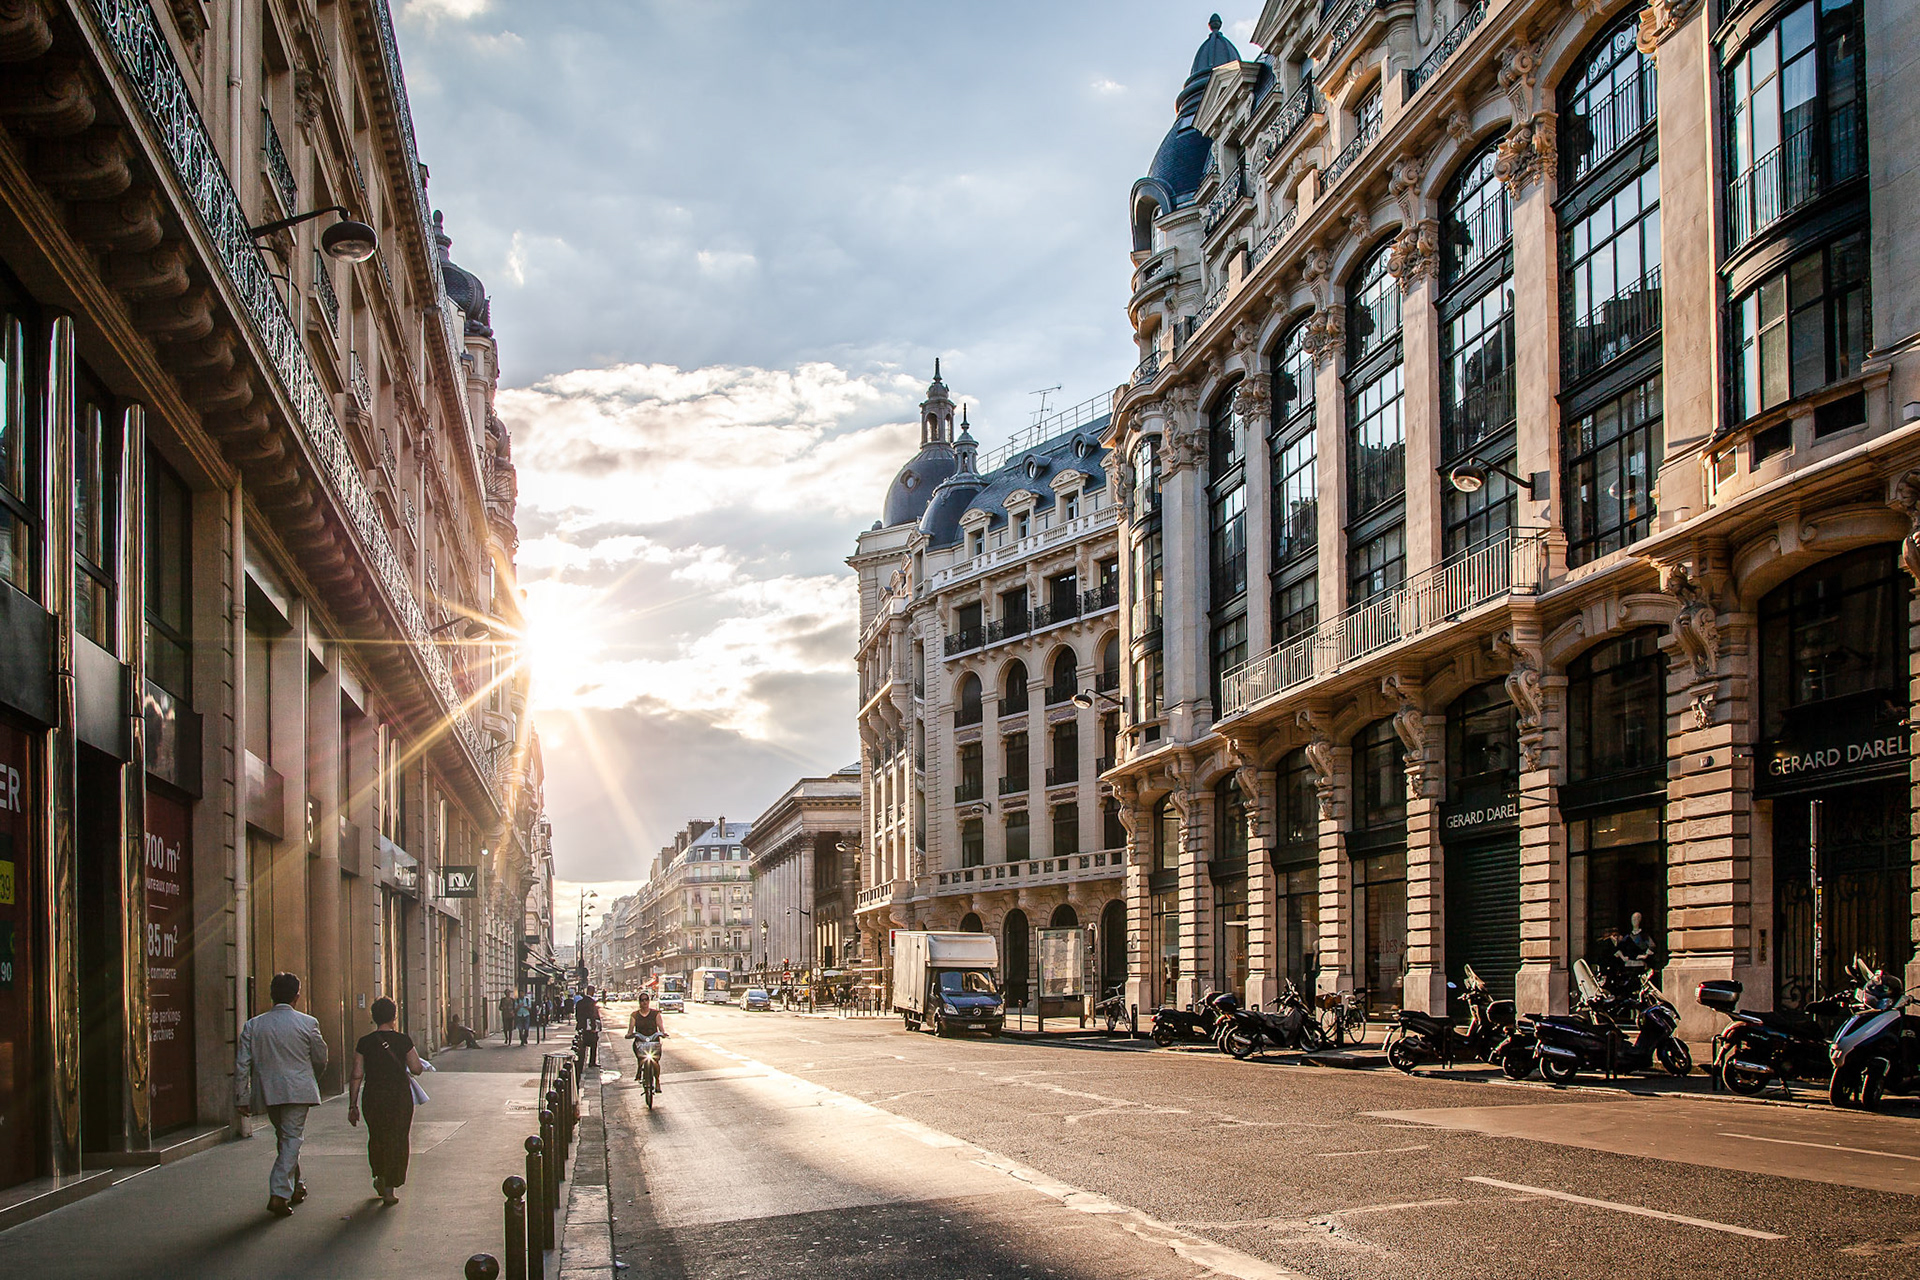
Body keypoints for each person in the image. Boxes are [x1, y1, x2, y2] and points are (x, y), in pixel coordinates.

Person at [235, 973, 328, 1218]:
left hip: (268, 1090)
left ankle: (296, 1186)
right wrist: (310, 1077)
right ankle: (278, 1193)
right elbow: (320, 1057)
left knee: (285, 1138)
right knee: (292, 1139)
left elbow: (242, 1064)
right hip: (299, 1088)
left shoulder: (254, 1025)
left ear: (271, 995)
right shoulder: (308, 1023)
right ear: (297, 996)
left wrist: (242, 1097)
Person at [348, 997, 424, 1206]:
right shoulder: (403, 1040)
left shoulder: (364, 1043)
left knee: (377, 1136)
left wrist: (352, 1105)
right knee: (397, 1138)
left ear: (373, 1017)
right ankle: (390, 1188)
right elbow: (417, 1067)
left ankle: (380, 1176)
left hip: (373, 1096)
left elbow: (356, 1075)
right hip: (399, 1096)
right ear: (394, 1016)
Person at [626, 991, 665, 1088]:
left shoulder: (655, 1014)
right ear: (639, 1002)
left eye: (646, 1000)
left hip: (653, 1042)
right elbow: (630, 1029)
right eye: (642, 1000)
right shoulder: (634, 1015)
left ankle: (657, 1081)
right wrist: (629, 1034)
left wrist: (663, 1033)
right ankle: (639, 1070)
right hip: (640, 1042)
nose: (644, 1002)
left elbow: (661, 1027)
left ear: (649, 1001)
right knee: (641, 1058)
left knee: (655, 1061)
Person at [575, 984, 602, 1069]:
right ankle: (592, 1062)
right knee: (593, 1045)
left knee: (581, 1045)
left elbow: (577, 1015)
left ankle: (580, 1063)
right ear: (592, 992)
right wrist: (594, 1027)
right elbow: (593, 1016)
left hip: (581, 1027)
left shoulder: (580, 1002)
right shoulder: (592, 1003)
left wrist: (580, 1024)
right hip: (590, 1028)